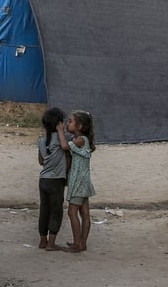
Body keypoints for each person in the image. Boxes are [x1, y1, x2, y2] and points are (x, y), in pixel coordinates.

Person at [57, 110, 96, 253]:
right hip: (84, 181)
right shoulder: (84, 140)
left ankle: (77, 244)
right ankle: (82, 243)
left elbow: (65, 146)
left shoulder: (80, 140)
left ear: (79, 126)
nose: (68, 124)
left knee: (72, 212)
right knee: (84, 213)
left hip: (78, 182)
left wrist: (60, 131)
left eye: (70, 121)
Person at [37, 107, 68, 251]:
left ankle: (42, 240)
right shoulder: (63, 138)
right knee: (56, 211)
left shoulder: (42, 140)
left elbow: (41, 161)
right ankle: (51, 243)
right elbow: (66, 147)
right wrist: (62, 131)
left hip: (43, 180)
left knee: (44, 210)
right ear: (59, 124)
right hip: (56, 180)